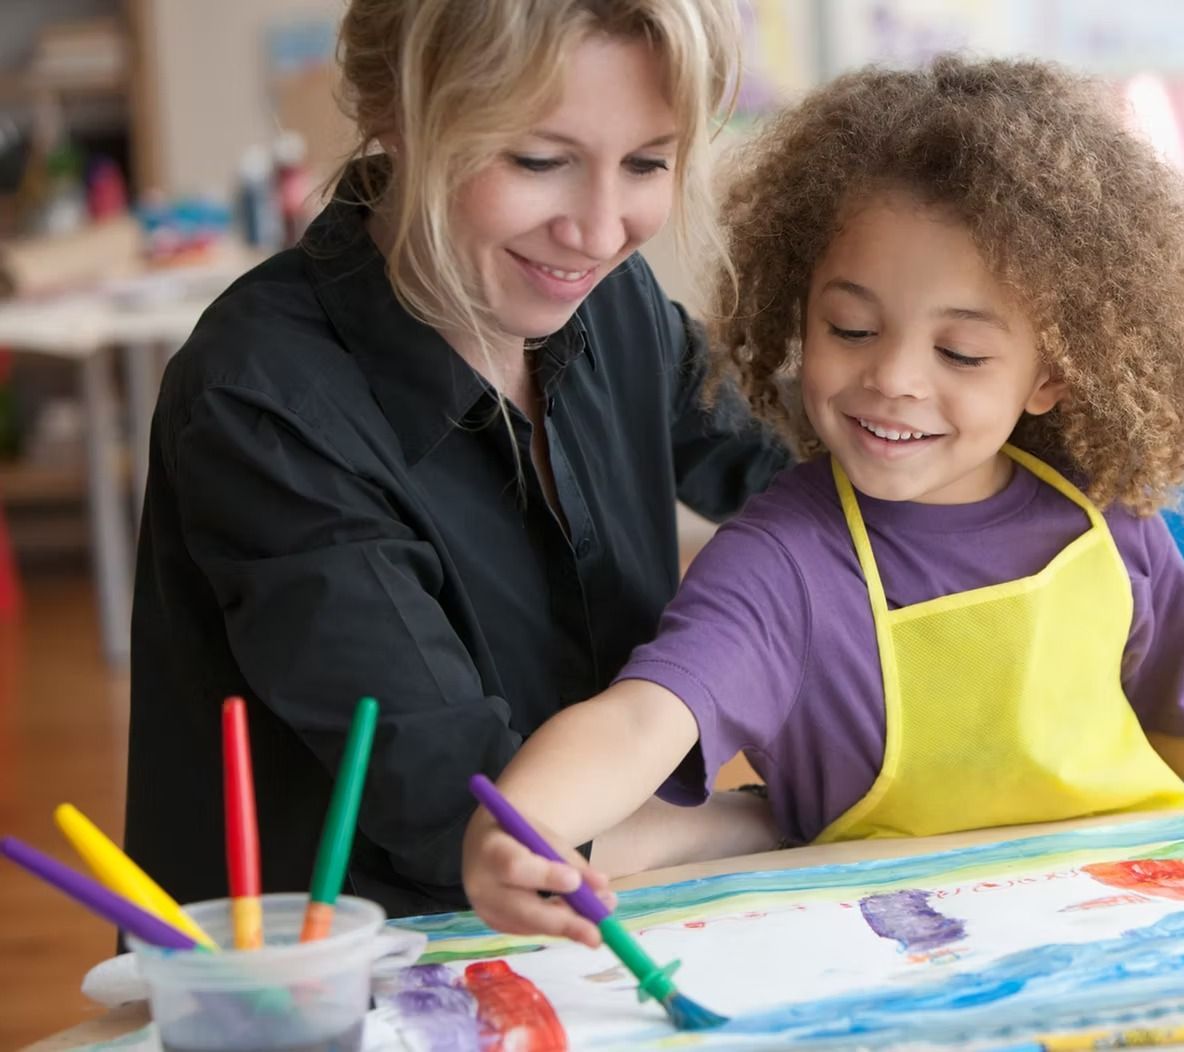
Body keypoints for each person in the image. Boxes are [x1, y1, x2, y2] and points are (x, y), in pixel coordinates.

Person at [463, 55, 1184, 942]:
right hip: (901, 951)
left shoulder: (1106, 520)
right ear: (796, 310)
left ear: (1050, 373)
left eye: (961, 351)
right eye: (849, 327)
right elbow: (642, 719)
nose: (894, 377)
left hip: (1139, 924)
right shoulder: (783, 561)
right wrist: (530, 819)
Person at [126, 0, 787, 919]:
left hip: (602, 926)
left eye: (647, 162)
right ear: (398, 111)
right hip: (339, 979)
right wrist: (781, 819)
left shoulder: (611, 304)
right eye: (539, 161)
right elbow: (470, 821)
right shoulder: (263, 402)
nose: (600, 232)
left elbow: (800, 469)